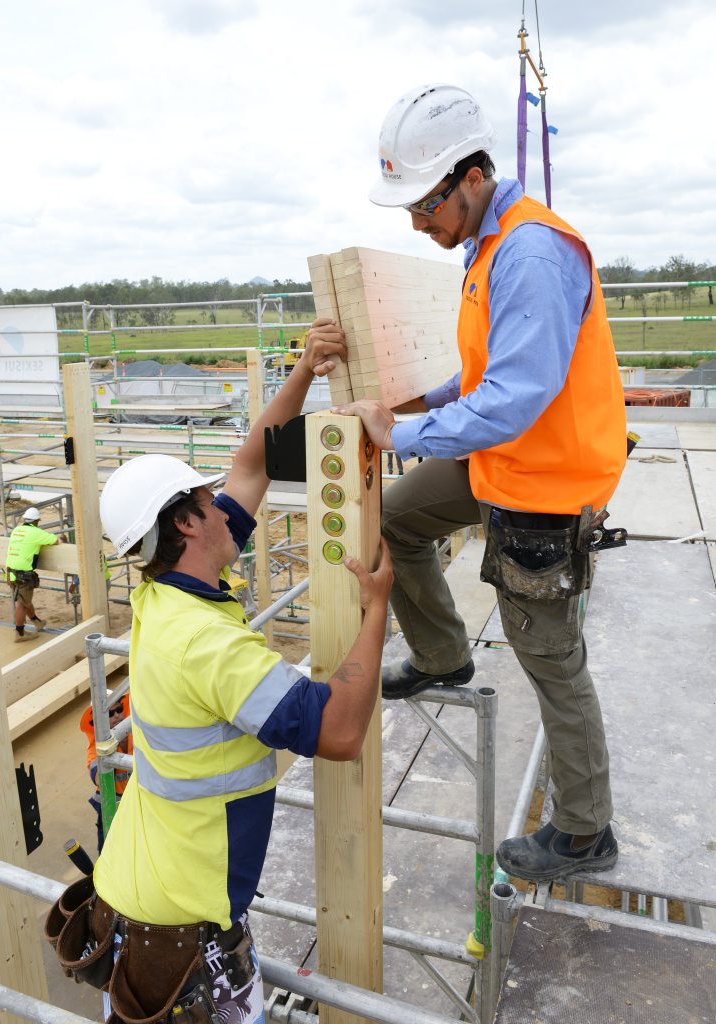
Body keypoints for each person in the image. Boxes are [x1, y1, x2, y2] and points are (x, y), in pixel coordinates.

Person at [332, 84, 626, 883]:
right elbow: (480, 375)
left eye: (424, 204)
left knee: (548, 657)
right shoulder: (485, 246)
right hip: (510, 459)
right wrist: (413, 401)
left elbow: (515, 398)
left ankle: (581, 829)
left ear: (469, 177)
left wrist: (403, 434)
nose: (416, 222)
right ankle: (441, 653)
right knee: (395, 518)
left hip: (545, 482)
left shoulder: (528, 252)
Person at [76, 320, 392, 1024]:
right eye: (205, 498)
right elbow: (339, 731)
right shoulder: (207, 647)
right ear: (189, 524)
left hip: (137, 894)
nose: (225, 503)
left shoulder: (163, 594)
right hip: (179, 929)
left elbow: (253, 464)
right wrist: (375, 612)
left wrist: (307, 368)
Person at [79, 690, 133, 852]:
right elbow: (98, 777)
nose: (117, 715)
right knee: (108, 850)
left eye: (119, 709)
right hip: (111, 806)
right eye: (110, 713)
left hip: (136, 798)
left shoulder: (135, 733)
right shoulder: (95, 750)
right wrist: (109, 754)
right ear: (97, 722)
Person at [5, 506, 62, 642]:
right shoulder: (36, 532)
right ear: (36, 521)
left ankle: (36, 622)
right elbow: (55, 540)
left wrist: (8, 574)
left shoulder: (16, 530)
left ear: (25, 519)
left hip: (11, 572)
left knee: (25, 599)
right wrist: (63, 539)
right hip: (23, 574)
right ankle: (20, 633)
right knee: (22, 604)